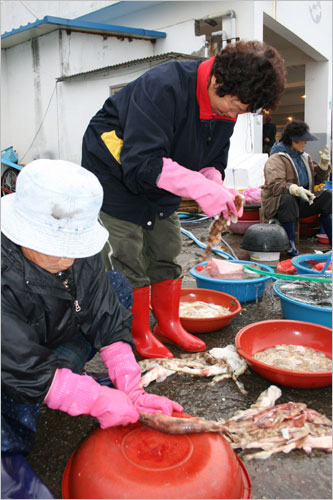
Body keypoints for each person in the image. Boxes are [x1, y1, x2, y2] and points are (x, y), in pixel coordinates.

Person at [81, 40, 287, 359]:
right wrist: (200, 189)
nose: (234, 114)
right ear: (217, 80)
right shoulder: (163, 87)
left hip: (163, 172)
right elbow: (143, 164)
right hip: (116, 172)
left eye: (242, 111)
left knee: (166, 246)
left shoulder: (225, 104)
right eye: (234, 105)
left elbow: (212, 160)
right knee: (128, 253)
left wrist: (215, 185)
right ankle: (137, 333)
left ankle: (168, 323)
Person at [1, 159, 183, 499]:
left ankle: (55, 385)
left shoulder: (75, 252)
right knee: (13, 407)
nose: (67, 260)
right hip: (9, 357)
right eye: (54, 248)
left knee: (115, 286)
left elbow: (103, 311)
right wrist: (93, 398)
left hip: (49, 338)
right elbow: (15, 360)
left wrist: (130, 386)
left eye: (74, 247)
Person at [261, 121, 332, 256]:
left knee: (328, 196)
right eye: (303, 140)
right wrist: (295, 189)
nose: (305, 143)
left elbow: (316, 179)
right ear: (293, 140)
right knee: (288, 199)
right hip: (279, 205)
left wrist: (323, 166)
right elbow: (276, 185)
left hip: (302, 202)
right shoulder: (276, 158)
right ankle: (290, 246)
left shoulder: (304, 157)